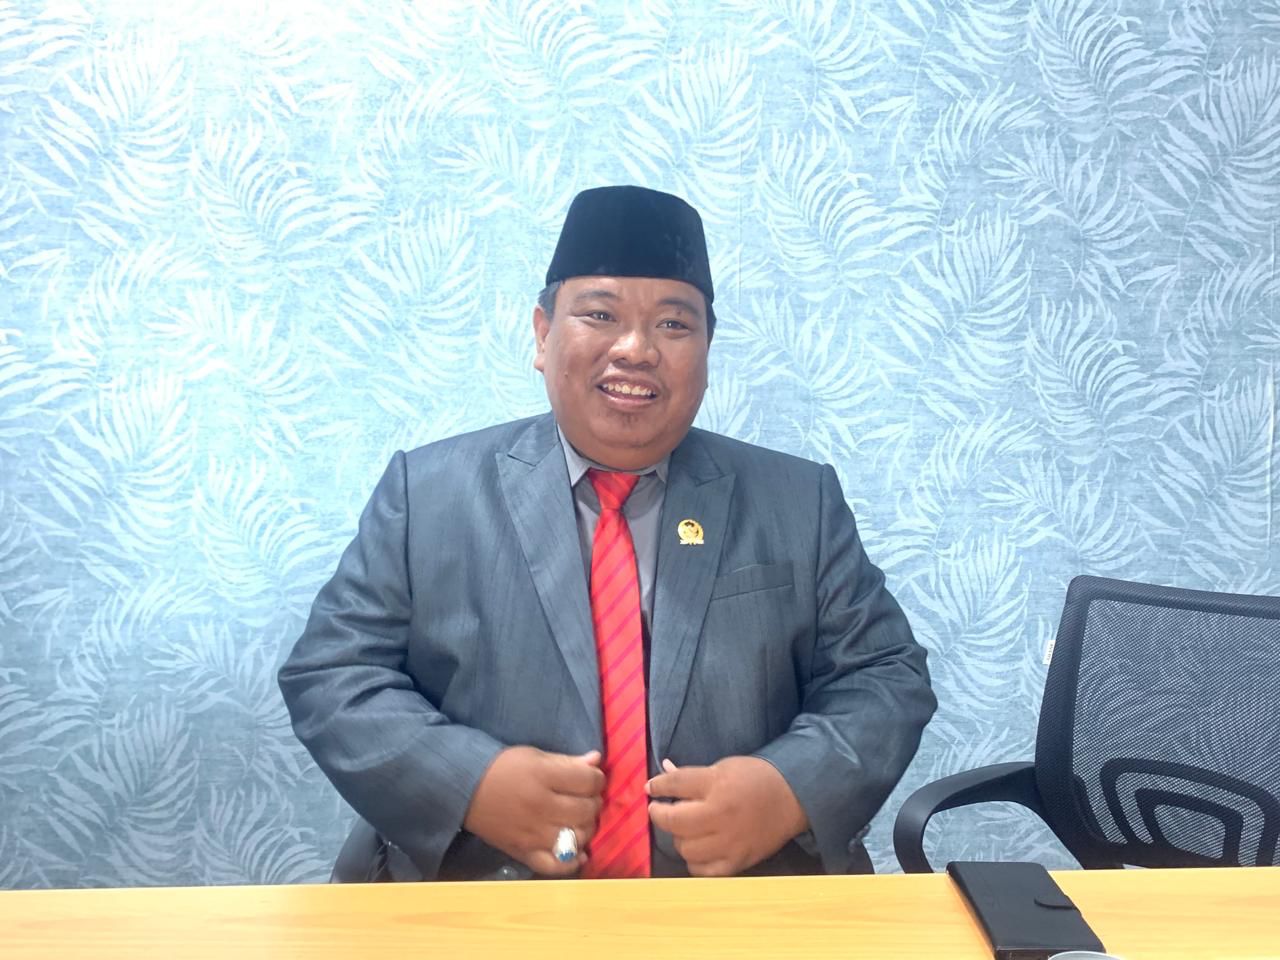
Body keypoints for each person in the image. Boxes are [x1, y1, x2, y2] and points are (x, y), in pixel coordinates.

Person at [278, 185, 936, 881]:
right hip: (486, 899)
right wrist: (468, 783)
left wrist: (788, 790)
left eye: (674, 325)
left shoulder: (798, 500)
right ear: (542, 334)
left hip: (739, 903)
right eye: (600, 314)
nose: (635, 349)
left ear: (707, 348)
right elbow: (332, 672)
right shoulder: (427, 493)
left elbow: (885, 676)